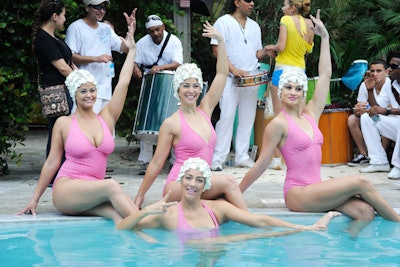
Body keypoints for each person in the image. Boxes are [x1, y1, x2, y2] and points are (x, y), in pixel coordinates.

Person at [239, 10, 400, 234]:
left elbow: (324, 74)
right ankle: (398, 224)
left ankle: (346, 248)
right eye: (288, 87)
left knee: (364, 212)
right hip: (298, 193)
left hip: (317, 189)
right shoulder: (279, 124)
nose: (293, 92)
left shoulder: (310, 114)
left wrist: (324, 37)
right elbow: (261, 164)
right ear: (280, 93)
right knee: (361, 183)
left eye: (298, 88)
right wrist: (235, 194)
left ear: (304, 91)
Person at [17, 16, 138, 225]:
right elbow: (53, 161)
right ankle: (151, 225)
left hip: (93, 190)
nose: (89, 95)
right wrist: (34, 199)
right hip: (67, 190)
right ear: (74, 93)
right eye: (83, 91)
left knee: (117, 216)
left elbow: (124, 83)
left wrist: (132, 50)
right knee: (112, 187)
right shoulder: (65, 123)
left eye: (92, 90)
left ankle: (145, 237)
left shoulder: (106, 118)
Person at [134, 22, 248, 210]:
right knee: (228, 183)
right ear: (177, 90)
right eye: (186, 85)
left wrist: (220, 41)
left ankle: (245, 227)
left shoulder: (206, 109)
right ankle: (253, 224)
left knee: (224, 205)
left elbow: (222, 73)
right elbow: (156, 162)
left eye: (195, 85)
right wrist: (140, 196)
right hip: (178, 186)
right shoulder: (172, 124)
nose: (191, 90)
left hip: (202, 183)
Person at [119, 157, 340, 235]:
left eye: (199, 180)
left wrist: (305, 228)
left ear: (205, 184)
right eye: (188, 178)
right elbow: (122, 228)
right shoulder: (166, 215)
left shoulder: (216, 208)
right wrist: (145, 211)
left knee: (264, 234)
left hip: (216, 253)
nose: (192, 184)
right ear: (180, 181)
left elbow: (258, 220)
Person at [210, 0, 273, 171]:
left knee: (247, 119)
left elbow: (256, 53)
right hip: (230, 78)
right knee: (226, 117)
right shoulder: (223, 22)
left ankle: (242, 156)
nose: (252, 4)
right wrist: (233, 69)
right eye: (248, 0)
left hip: (250, 78)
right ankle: (218, 158)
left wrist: (266, 52)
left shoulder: (254, 26)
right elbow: (216, 51)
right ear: (237, 2)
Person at [265, 0, 314, 170]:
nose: (282, 9)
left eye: (285, 5)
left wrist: (270, 47)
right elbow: (309, 49)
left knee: (280, 116)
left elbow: (281, 46)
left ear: (292, 8)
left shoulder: (285, 20)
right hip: (300, 72)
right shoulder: (309, 23)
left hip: (283, 70)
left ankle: (277, 160)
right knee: (300, 116)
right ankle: (302, 156)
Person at [133, 14, 183, 175]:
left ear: (163, 28)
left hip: (170, 85)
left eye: (157, 29)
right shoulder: (142, 43)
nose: (155, 33)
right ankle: (145, 161)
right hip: (150, 85)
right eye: (151, 31)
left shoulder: (174, 41)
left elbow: (177, 63)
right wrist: (135, 68)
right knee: (148, 124)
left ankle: (175, 162)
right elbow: (135, 62)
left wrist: (160, 69)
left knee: (175, 124)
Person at [65, 0, 136, 114]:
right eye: (98, 7)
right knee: (86, 129)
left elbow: (124, 48)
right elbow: (69, 56)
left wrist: (131, 29)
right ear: (87, 8)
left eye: (104, 8)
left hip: (105, 90)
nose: (101, 11)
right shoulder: (75, 28)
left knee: (106, 129)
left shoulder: (106, 28)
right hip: (85, 91)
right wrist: (96, 58)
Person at [32, 0, 74, 185]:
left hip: (64, 89)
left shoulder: (52, 37)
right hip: (57, 92)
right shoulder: (44, 38)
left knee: (62, 131)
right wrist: (81, 81)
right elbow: (63, 68)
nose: (65, 19)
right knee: (57, 132)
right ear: (54, 16)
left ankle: (60, 172)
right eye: (63, 15)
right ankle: (54, 174)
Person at [359, 55, 400, 179]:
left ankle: (398, 166)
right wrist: (370, 91)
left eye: (393, 67)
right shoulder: (391, 83)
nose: (390, 70)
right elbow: (377, 108)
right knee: (368, 118)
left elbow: (386, 110)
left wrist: (387, 110)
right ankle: (379, 161)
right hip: (395, 126)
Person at [347, 59, 391, 167]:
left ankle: (381, 154)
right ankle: (364, 154)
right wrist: (358, 110)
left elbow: (390, 109)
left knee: (381, 118)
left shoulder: (391, 84)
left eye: (379, 71)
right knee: (352, 119)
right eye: (372, 71)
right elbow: (359, 108)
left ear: (387, 72)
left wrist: (371, 110)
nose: (375, 74)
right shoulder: (365, 85)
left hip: (386, 117)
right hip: (370, 116)